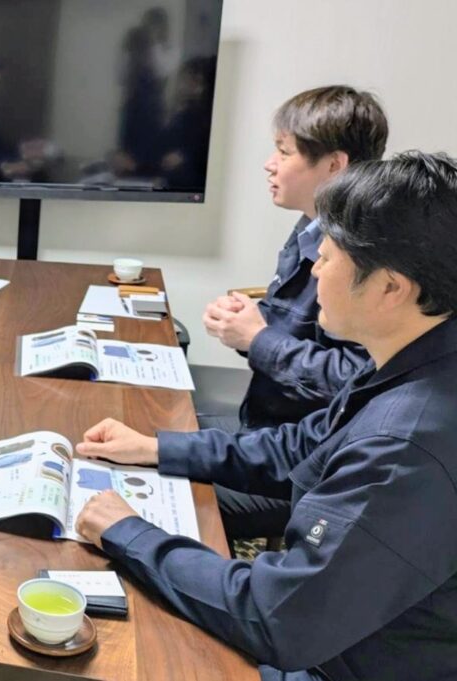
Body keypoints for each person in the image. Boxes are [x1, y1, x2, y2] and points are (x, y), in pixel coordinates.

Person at [75, 152, 457, 681]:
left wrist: (129, 533)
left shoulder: (406, 446)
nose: (315, 270)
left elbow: (278, 615)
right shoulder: (414, 358)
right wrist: (156, 448)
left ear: (391, 288)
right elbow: (302, 446)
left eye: (327, 258)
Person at [201, 86, 387, 543]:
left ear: (334, 165)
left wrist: (257, 339)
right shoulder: (310, 226)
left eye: (284, 152)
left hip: (304, 460)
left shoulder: (359, 255)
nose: (270, 164)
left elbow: (353, 379)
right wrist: (246, 322)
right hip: (268, 427)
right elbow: (294, 331)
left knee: (163, 486)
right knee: (156, 435)